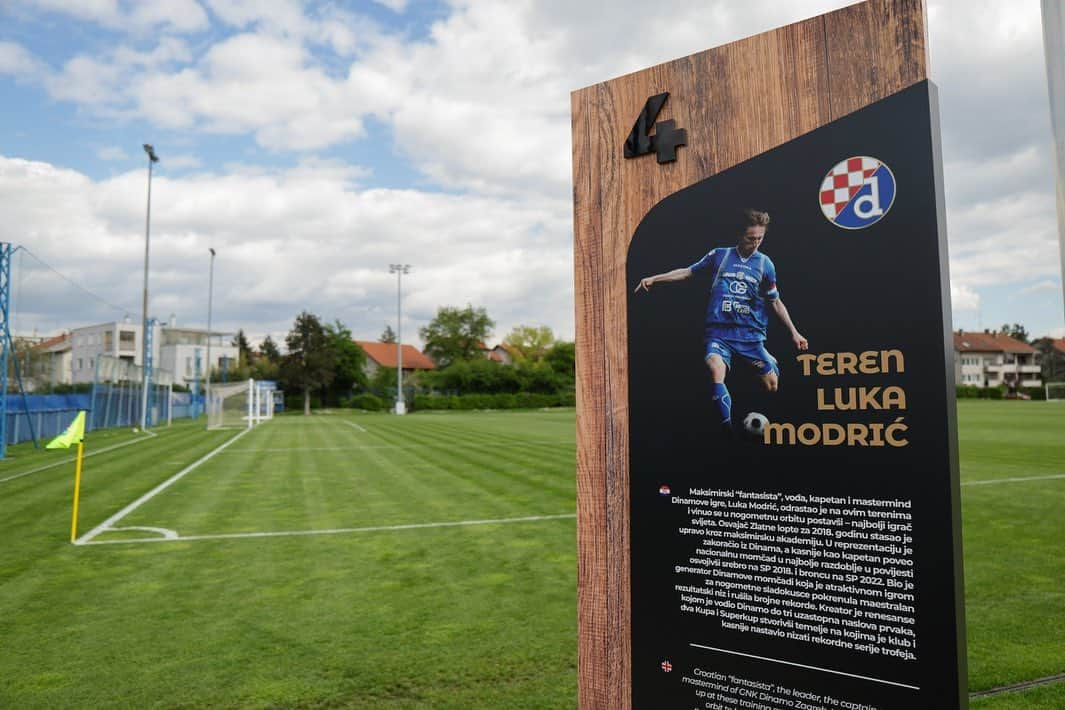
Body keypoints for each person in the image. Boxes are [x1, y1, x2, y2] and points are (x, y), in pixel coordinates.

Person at [634, 208, 808, 434]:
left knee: (772, 387)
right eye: (750, 238)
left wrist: (795, 332)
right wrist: (655, 279)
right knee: (715, 369)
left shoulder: (766, 265)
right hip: (719, 333)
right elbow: (687, 272)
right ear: (739, 235)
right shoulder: (720, 256)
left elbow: (775, 301)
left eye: (760, 238)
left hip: (750, 336)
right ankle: (728, 432)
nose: (755, 243)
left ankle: (767, 360)